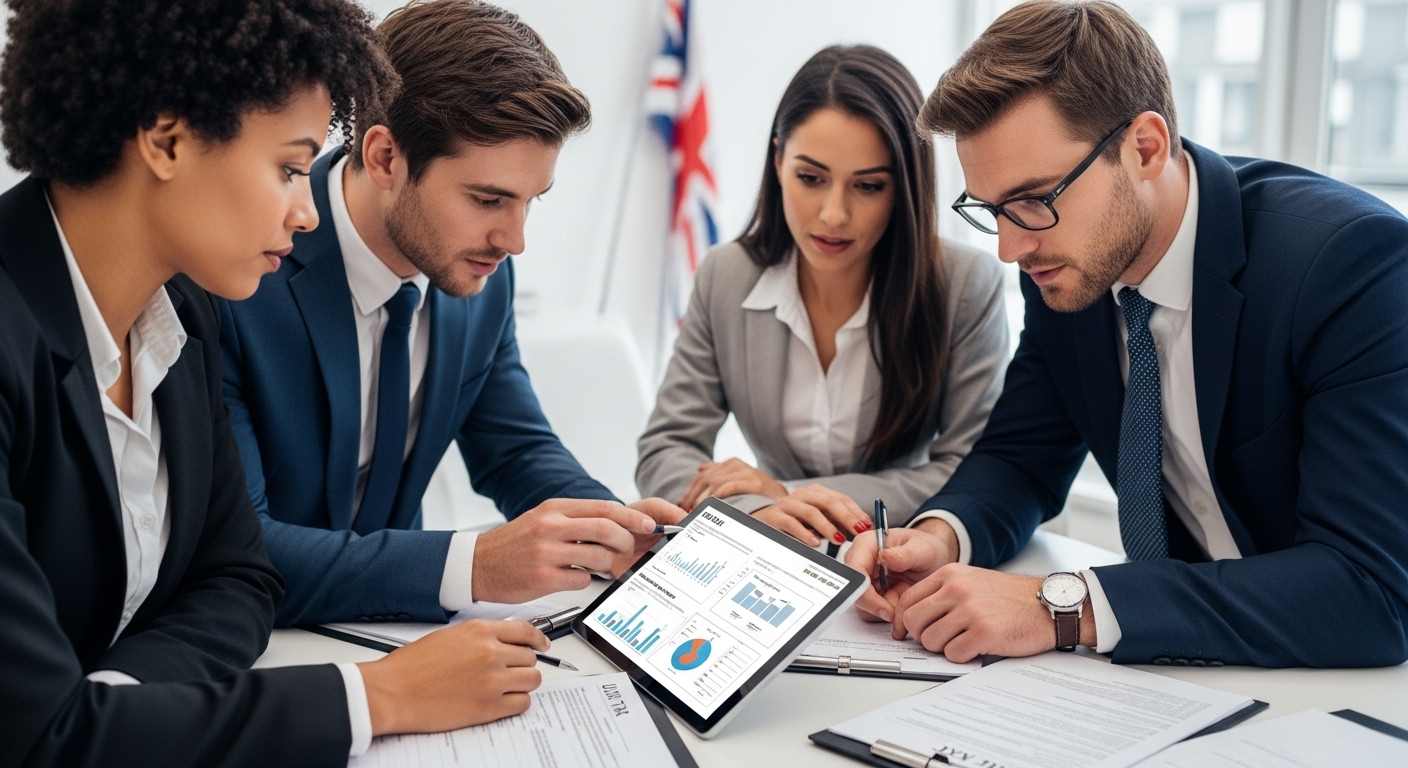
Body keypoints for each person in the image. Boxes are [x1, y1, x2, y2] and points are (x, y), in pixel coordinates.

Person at [0, 1, 567, 764]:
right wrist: (379, 696)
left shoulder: (176, 315)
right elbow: (41, 737)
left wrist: (118, 708)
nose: (307, 211)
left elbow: (236, 578)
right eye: (291, 167)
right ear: (166, 140)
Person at [845, 0, 1408, 669]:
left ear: (1145, 147)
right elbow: (1021, 458)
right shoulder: (1066, 266)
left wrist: (1063, 607)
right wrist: (939, 538)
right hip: (1182, 672)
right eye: (991, 210)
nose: (1009, 248)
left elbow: (1368, 590)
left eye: (1033, 200)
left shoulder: (1347, 266)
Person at [219, 0, 684, 628]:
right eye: (488, 199)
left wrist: (616, 530)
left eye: (531, 201)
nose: (514, 240)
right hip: (264, 640)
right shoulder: (241, 274)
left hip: (401, 628)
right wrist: (476, 564)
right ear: (385, 157)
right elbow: (243, 549)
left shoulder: (481, 274)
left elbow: (515, 451)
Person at [637, 45, 1008, 550]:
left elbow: (974, 468)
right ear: (778, 161)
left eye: (868, 186)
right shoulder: (726, 277)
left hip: (902, 550)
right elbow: (666, 448)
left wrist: (786, 493)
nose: (834, 214)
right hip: (775, 550)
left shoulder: (965, 284)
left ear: (904, 188)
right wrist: (759, 509)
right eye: (810, 178)